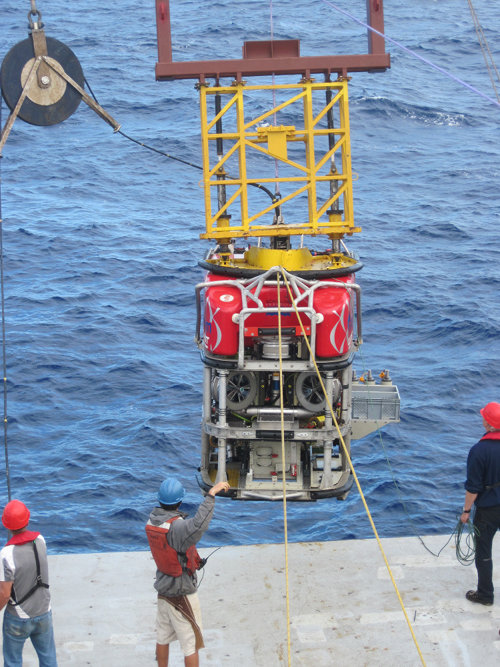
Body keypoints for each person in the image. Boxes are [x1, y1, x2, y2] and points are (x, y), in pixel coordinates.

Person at [146, 478, 229, 667]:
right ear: (179, 501)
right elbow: (198, 525)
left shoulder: (152, 521)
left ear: (160, 501)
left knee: (162, 637)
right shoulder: (178, 528)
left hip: (163, 590)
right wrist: (211, 495)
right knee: (191, 644)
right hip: (181, 594)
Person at [0, 499, 57, 666]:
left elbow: (4, 594)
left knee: (12, 661)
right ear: (27, 519)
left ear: (6, 525)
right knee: (48, 658)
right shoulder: (40, 540)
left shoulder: (6, 554)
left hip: (18, 617)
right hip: (44, 611)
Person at [461, 402, 500, 605]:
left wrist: (466, 511)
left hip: (488, 510)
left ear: (487, 423)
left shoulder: (479, 450)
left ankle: (485, 594)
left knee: (483, 551)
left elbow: (473, 488)